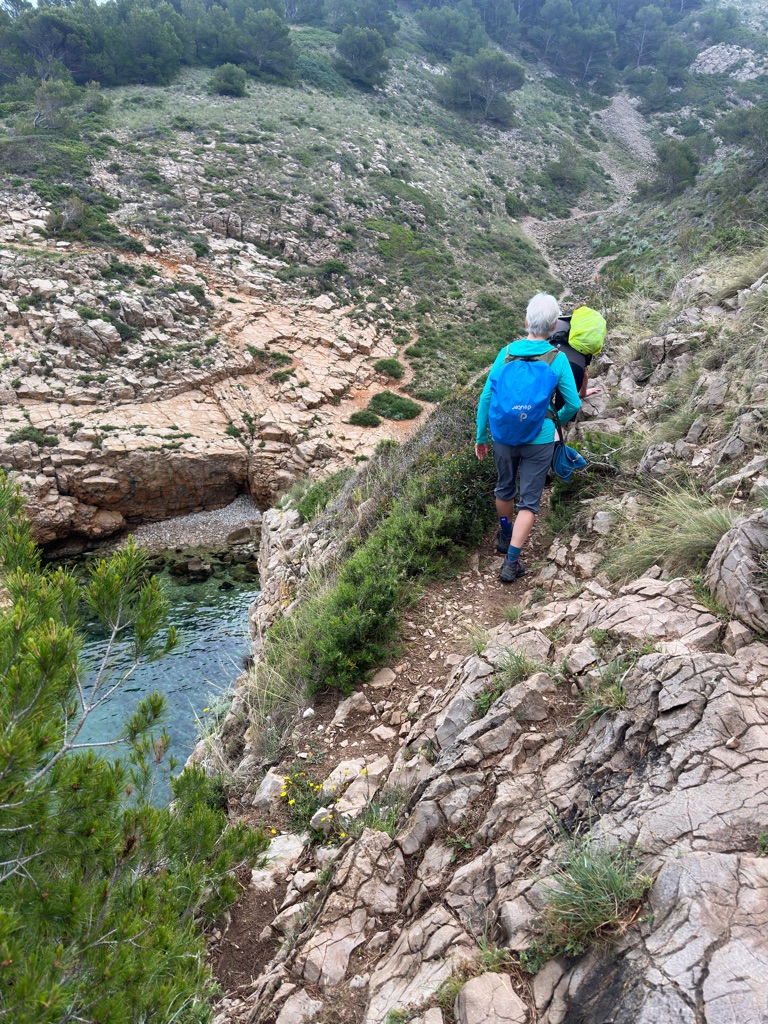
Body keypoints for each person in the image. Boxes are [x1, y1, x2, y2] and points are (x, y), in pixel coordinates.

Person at [475, 292, 581, 584]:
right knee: (530, 502)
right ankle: (511, 563)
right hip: (540, 438)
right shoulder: (557, 358)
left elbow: (486, 397)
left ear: (526, 321)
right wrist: (553, 420)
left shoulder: (507, 352)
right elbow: (573, 403)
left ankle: (504, 531)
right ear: (554, 326)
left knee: (504, 489)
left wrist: (481, 436)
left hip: (503, 434)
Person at [549, 315, 602, 404]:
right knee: (564, 408)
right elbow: (585, 374)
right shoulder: (585, 335)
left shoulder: (554, 324)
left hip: (550, 361)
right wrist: (583, 393)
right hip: (575, 367)